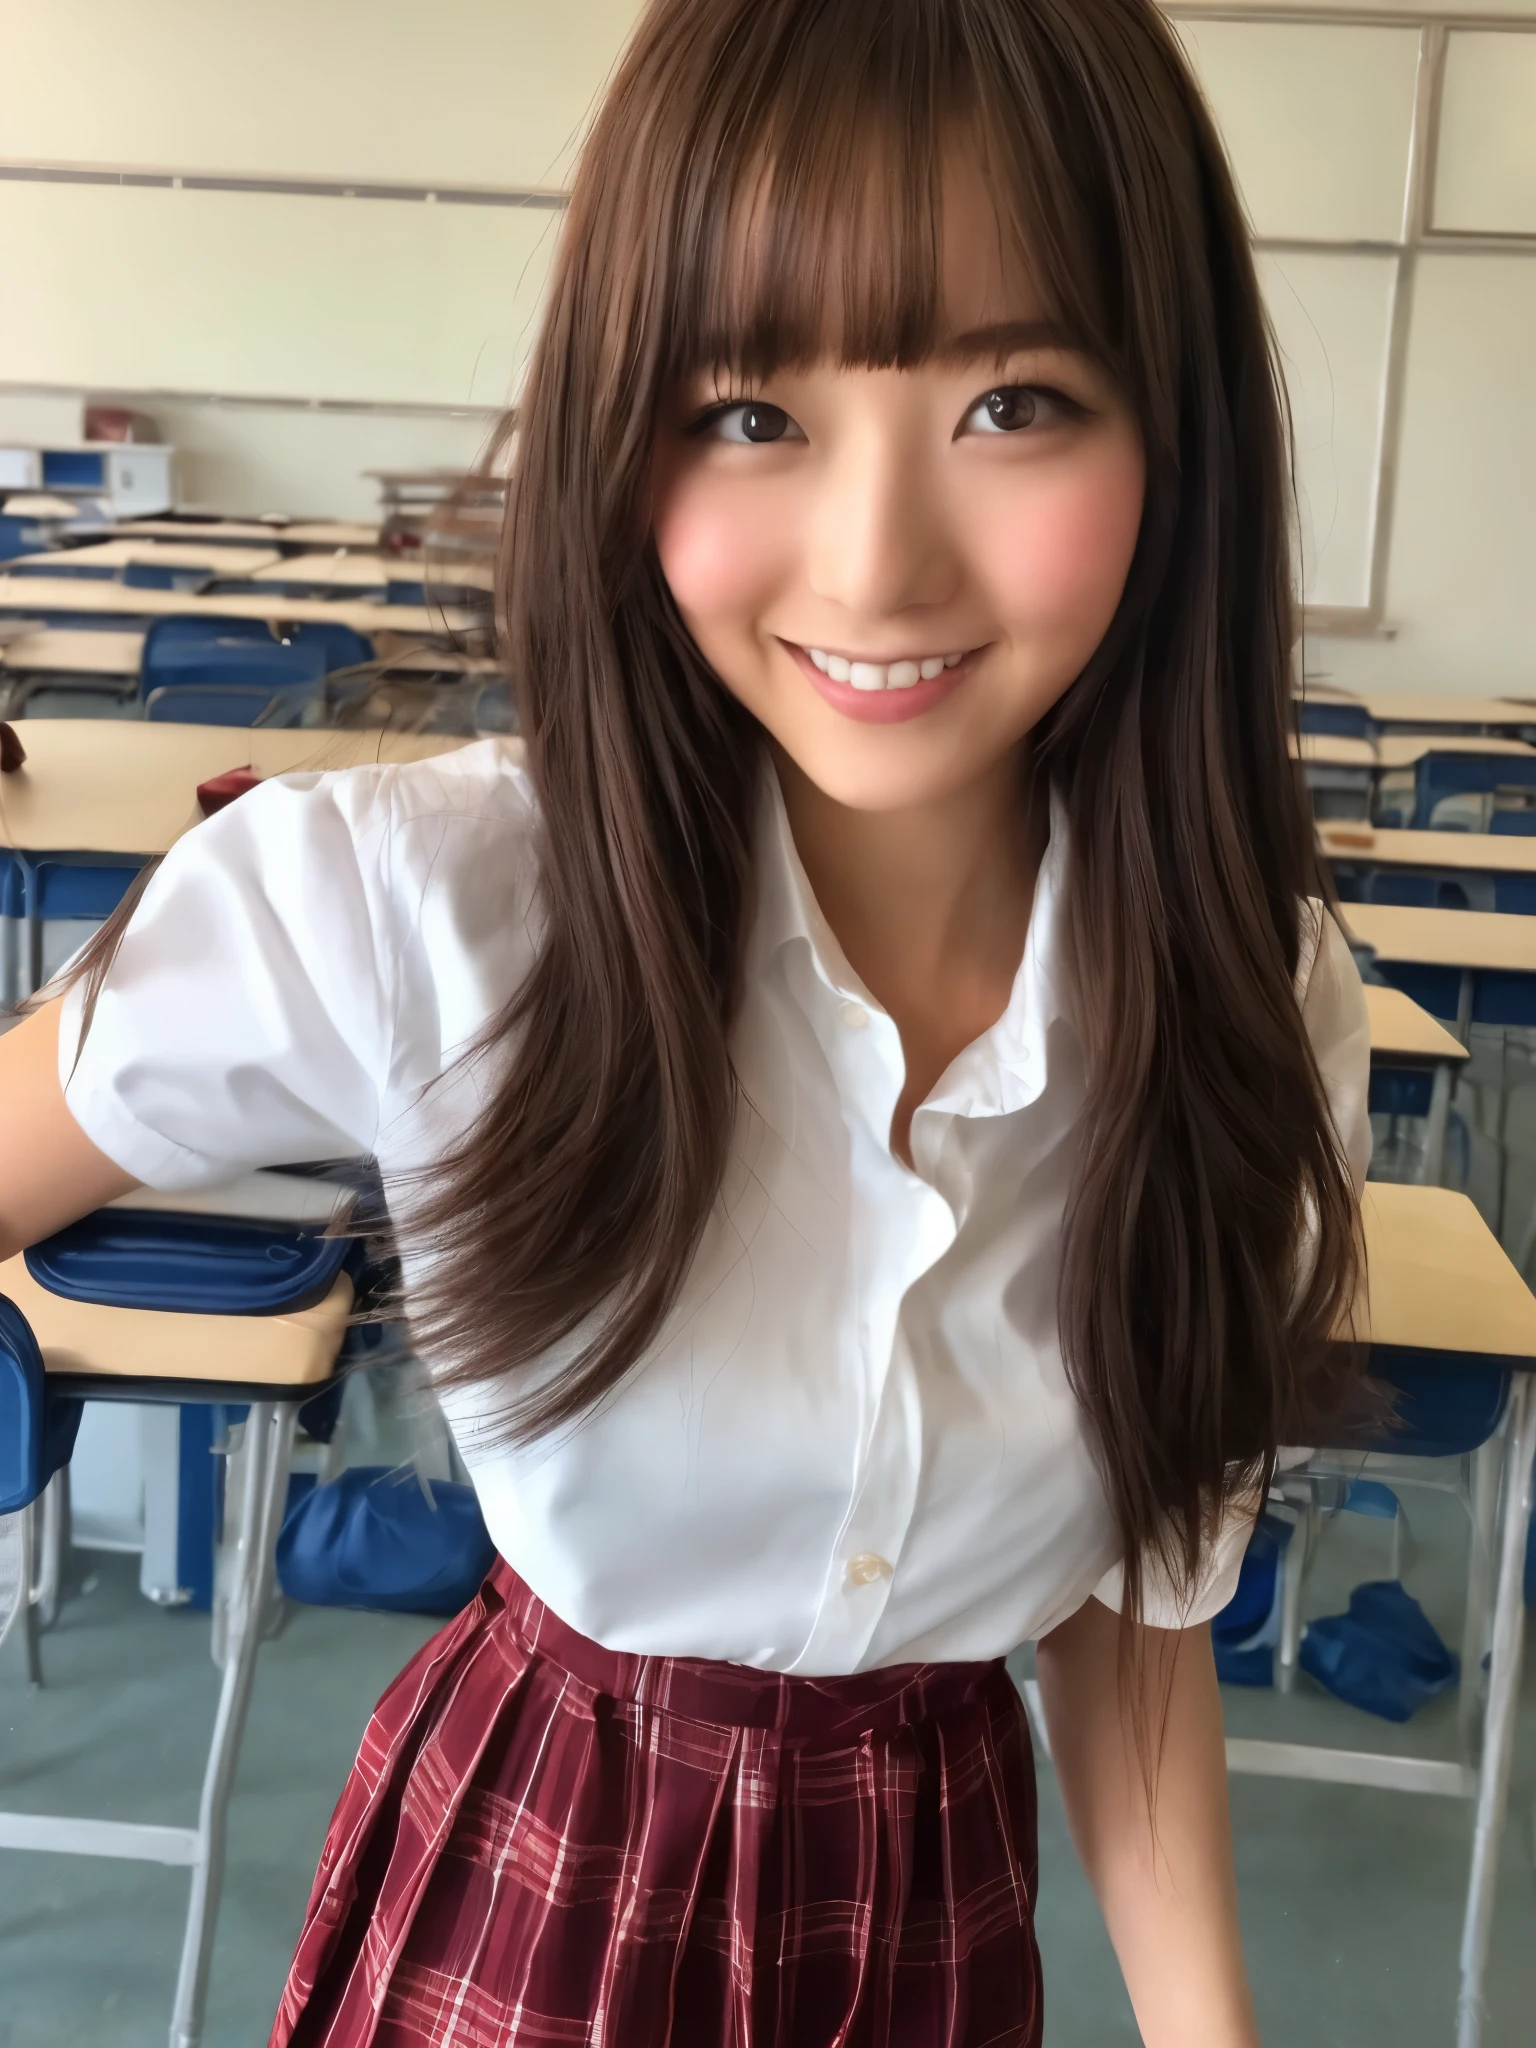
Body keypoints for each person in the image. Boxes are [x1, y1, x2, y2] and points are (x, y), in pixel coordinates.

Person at [0, 1, 1372, 2042]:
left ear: (1177, 435)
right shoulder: (423, 902)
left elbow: (1131, 1629)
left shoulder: (1251, 1002)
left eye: (1015, 402)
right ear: (624, 426)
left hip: (928, 1913)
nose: (878, 559)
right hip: (531, 1890)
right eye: (750, 412)